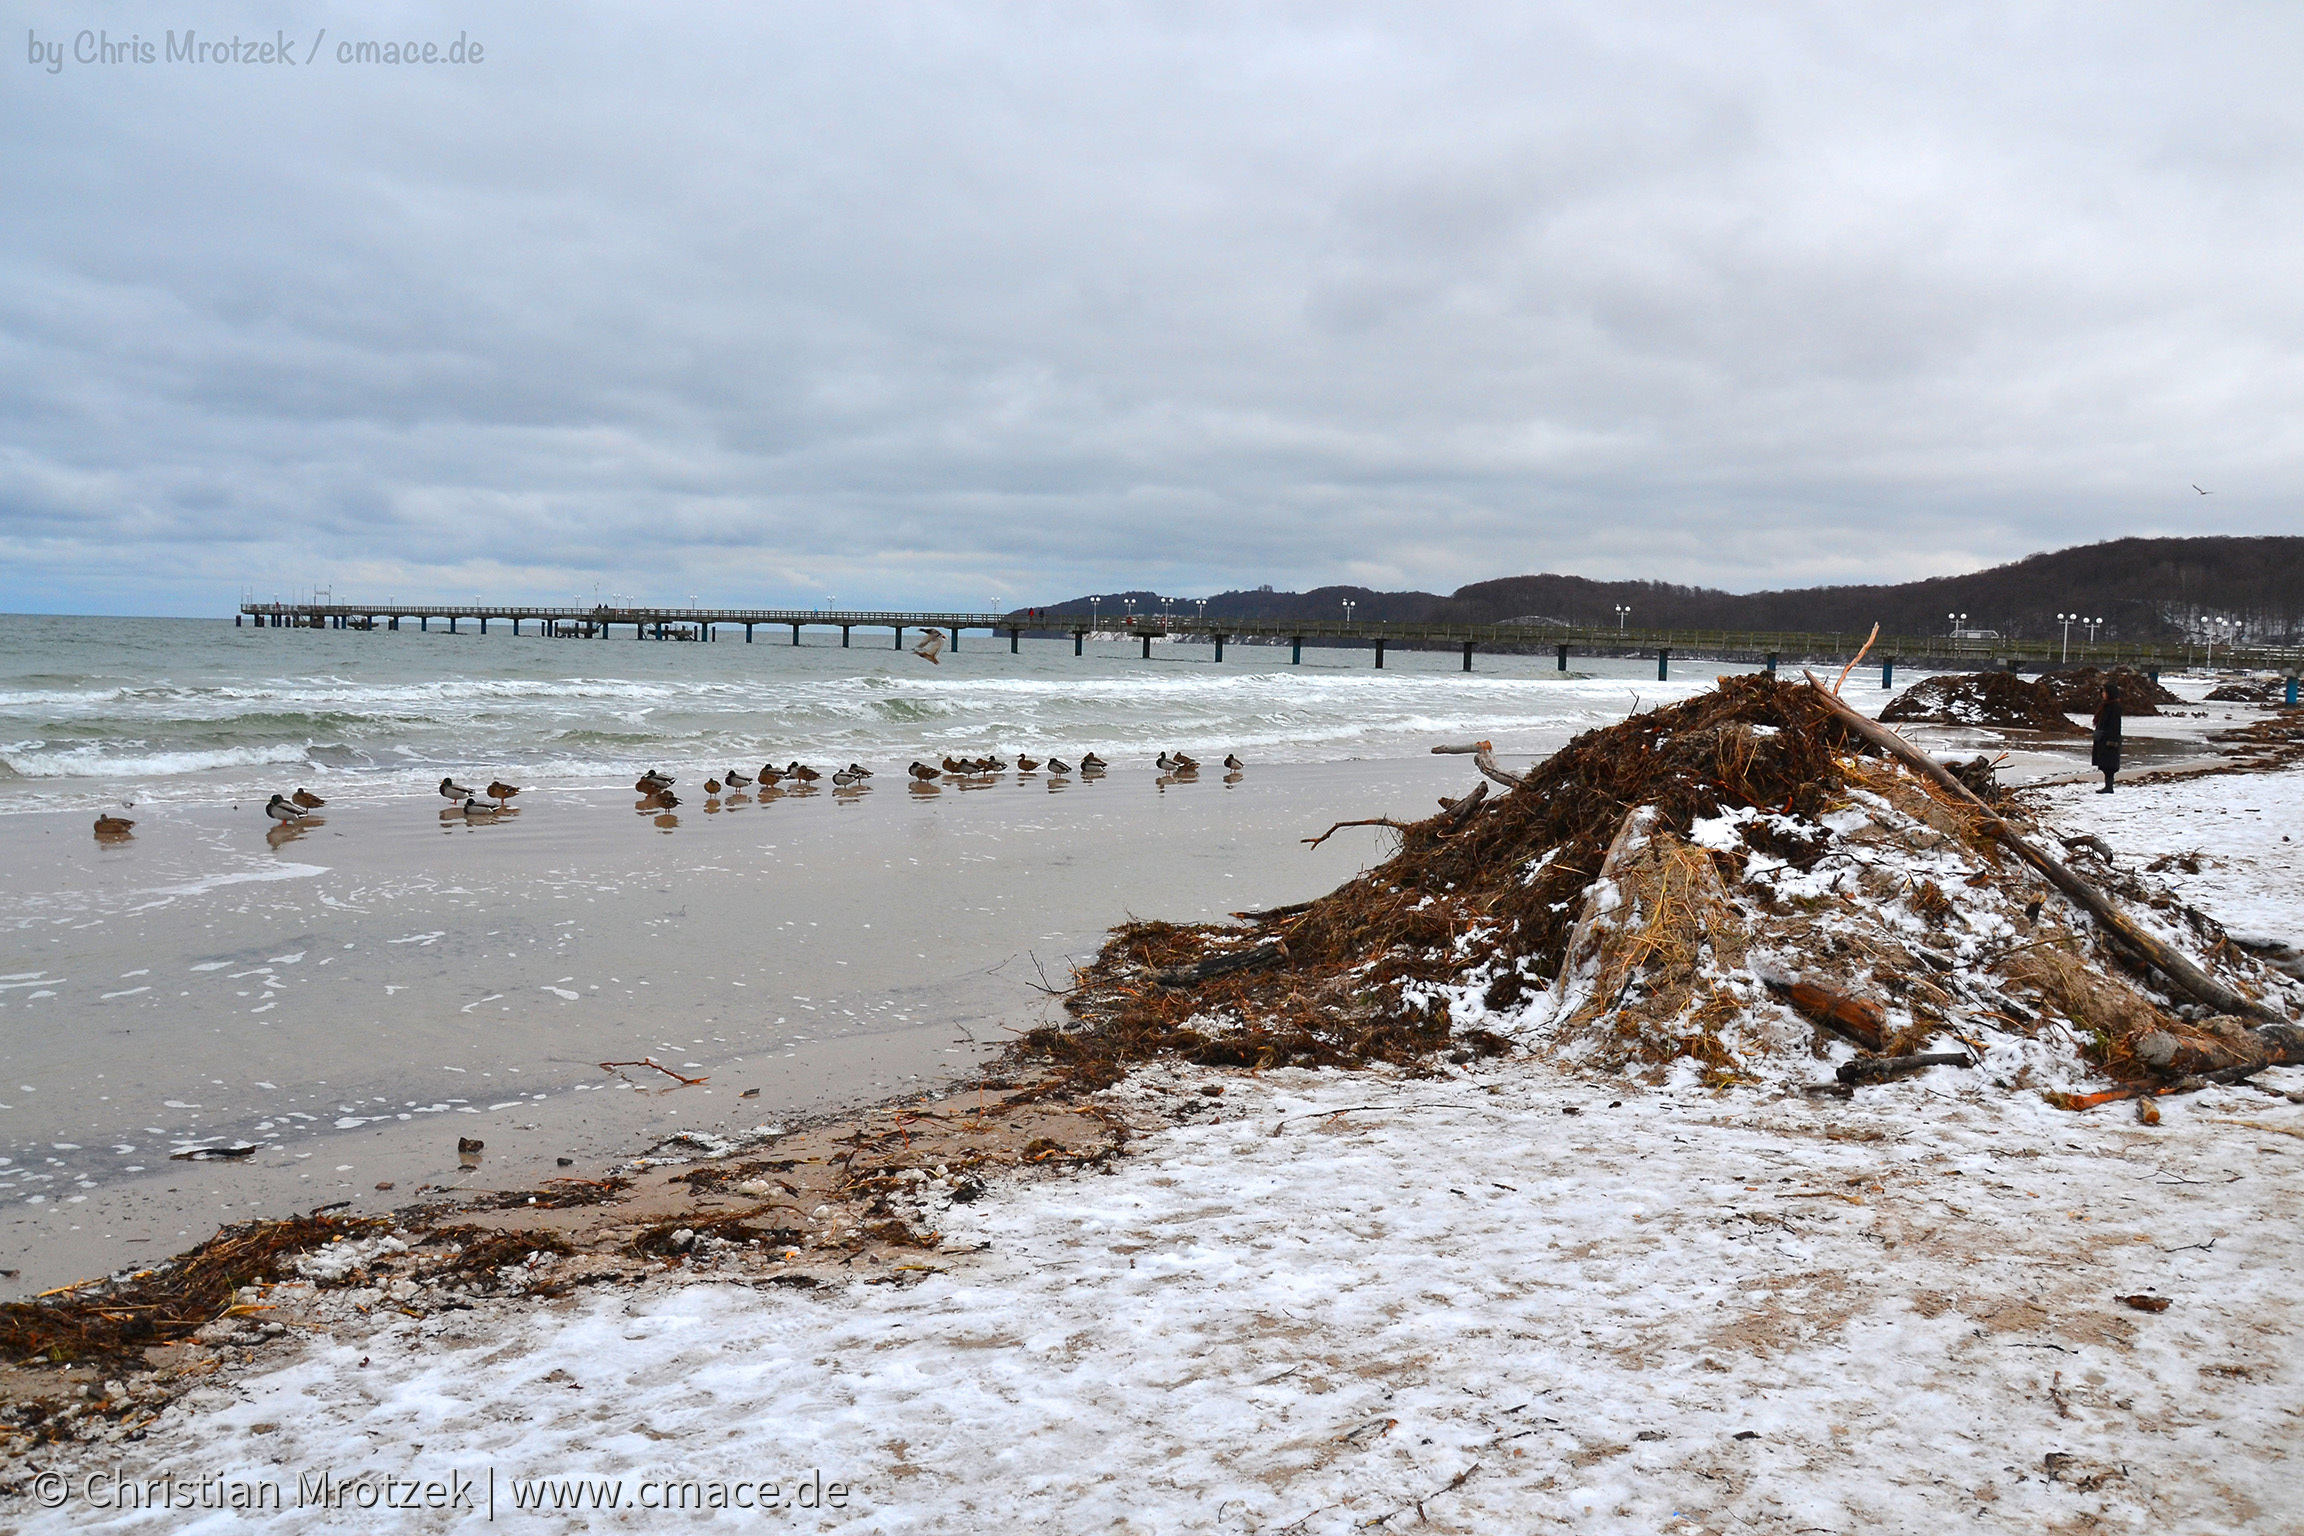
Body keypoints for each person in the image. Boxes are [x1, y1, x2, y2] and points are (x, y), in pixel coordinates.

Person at [2091, 683, 2123, 793]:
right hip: (2103, 738)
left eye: (2105, 692)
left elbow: (2115, 725)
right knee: (2104, 763)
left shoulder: (2114, 707)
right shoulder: (2106, 705)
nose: (2103, 694)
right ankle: (2108, 786)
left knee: (2109, 764)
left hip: (2109, 739)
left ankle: (2109, 787)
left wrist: (2111, 740)